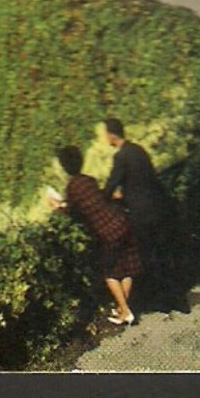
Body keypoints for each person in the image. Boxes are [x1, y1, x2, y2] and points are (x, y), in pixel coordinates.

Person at [48, 144, 141, 326]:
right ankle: (123, 308)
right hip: (121, 221)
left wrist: (56, 207)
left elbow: (73, 211)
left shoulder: (71, 188)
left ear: (64, 167)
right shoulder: (89, 179)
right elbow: (96, 199)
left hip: (107, 232)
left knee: (110, 273)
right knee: (127, 267)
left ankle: (126, 312)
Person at [102, 117, 177, 308]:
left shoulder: (120, 157)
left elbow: (110, 187)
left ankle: (160, 301)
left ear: (111, 135)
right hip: (156, 207)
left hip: (140, 213)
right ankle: (173, 295)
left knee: (146, 254)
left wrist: (107, 197)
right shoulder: (138, 150)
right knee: (161, 253)